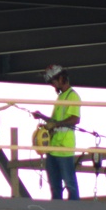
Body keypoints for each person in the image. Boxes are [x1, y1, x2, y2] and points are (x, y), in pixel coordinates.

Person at [34, 64, 81, 200]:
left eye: (54, 82)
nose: (53, 85)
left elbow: (75, 119)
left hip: (64, 147)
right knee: (54, 186)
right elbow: (55, 121)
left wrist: (55, 124)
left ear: (61, 78)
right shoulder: (61, 98)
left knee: (70, 184)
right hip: (53, 147)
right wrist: (42, 116)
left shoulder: (72, 96)